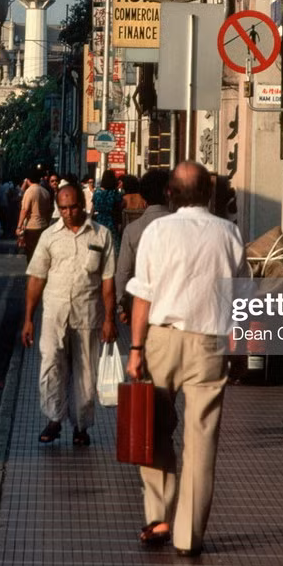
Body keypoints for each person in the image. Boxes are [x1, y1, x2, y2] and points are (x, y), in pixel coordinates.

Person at [125, 161, 247, 557]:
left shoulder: (157, 231)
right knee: (201, 440)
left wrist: (136, 349)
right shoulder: (229, 233)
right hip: (210, 343)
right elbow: (242, 295)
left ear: (170, 194)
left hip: (162, 339)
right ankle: (188, 536)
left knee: (155, 428)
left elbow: (142, 295)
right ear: (209, 193)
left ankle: (159, 515)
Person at [21, 184, 117, 447]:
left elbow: (108, 281)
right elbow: (36, 278)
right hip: (54, 313)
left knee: (86, 372)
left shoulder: (102, 235)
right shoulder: (49, 237)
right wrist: (28, 319)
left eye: (73, 206)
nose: (68, 212)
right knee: (51, 364)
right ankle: (54, 419)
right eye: (63, 208)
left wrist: (110, 318)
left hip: (88, 314)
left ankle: (81, 426)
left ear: (82, 205)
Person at [114, 168, 170, 323]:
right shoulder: (184, 226)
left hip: (143, 305)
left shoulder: (132, 230)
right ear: (169, 193)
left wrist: (122, 305)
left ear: (143, 196)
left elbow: (123, 272)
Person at [16, 175, 53, 262]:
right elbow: (48, 211)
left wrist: (19, 226)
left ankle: (33, 273)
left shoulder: (30, 191)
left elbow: (25, 210)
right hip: (43, 226)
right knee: (41, 253)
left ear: (28, 180)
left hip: (32, 227)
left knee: (31, 253)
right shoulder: (45, 192)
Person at [91, 169, 124, 253]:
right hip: (112, 220)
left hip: (99, 220)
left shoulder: (97, 192)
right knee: (113, 245)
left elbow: (93, 208)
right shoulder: (115, 194)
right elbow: (119, 209)